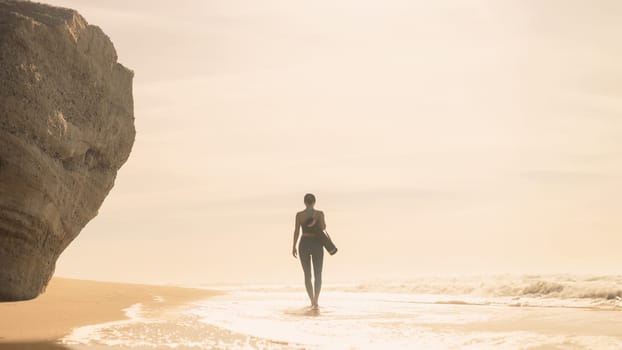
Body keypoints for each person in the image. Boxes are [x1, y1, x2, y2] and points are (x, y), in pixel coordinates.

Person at [292, 193, 326, 309]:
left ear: (305, 202)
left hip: (304, 244)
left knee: (307, 275)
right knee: (318, 274)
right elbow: (323, 227)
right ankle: (316, 299)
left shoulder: (299, 215)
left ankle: (311, 300)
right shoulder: (320, 214)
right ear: (314, 202)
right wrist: (316, 220)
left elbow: (296, 231)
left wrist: (293, 246)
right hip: (317, 244)